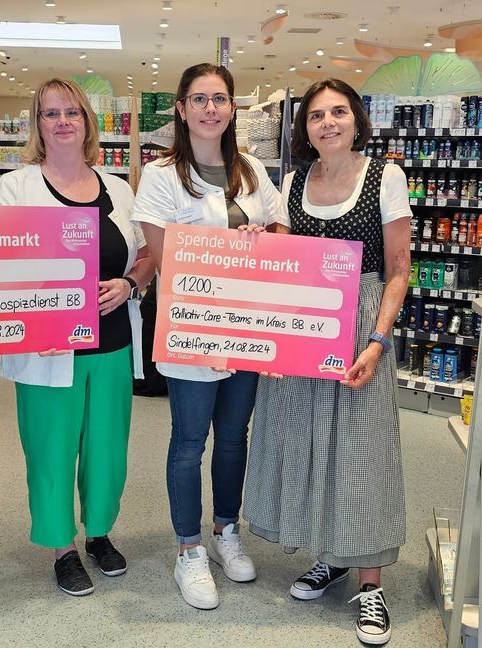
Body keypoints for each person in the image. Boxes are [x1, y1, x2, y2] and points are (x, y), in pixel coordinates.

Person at [239, 79, 408, 645]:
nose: (328, 122)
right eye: (316, 115)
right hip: (308, 330)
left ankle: (372, 584)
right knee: (311, 443)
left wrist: (378, 342)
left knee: (362, 451)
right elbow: (285, 262)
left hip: (360, 329)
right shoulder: (293, 182)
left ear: (357, 120)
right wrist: (260, 245)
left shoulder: (385, 178)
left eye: (338, 112)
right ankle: (331, 556)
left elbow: (398, 271)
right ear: (304, 128)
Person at [0, 78, 155, 597]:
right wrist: (31, 313)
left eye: (72, 113)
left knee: (108, 449)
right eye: (50, 113)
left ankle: (100, 533)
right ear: (37, 125)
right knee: (52, 448)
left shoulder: (119, 187)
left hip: (110, 343)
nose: (62, 121)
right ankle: (62, 546)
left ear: (87, 122)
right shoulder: (15, 188)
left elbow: (147, 256)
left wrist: (130, 282)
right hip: (48, 349)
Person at [132, 63, 282, 611]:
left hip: (246, 328)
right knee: (189, 442)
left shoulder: (252, 171)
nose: (210, 109)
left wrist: (259, 236)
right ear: (181, 108)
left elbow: (281, 234)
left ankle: (225, 531)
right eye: (199, 99)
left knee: (235, 436)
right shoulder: (161, 175)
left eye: (220, 98)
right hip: (194, 330)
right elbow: (164, 254)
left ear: (233, 108)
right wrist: (225, 246)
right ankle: (188, 549)